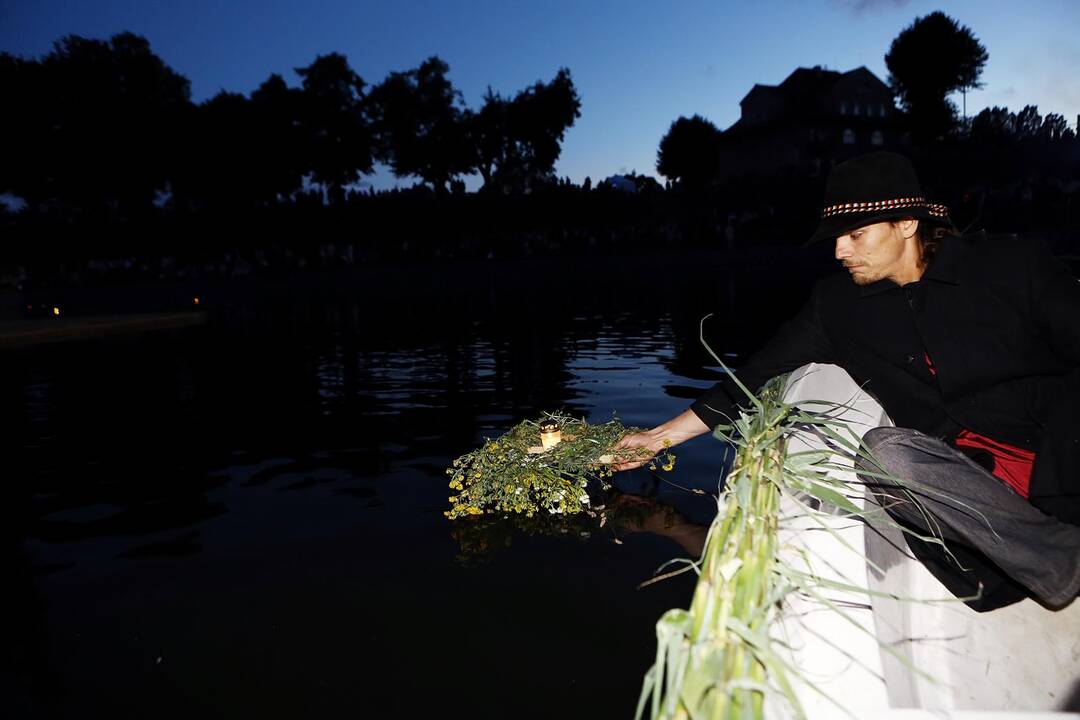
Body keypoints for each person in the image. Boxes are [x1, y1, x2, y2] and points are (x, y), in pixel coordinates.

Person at [616, 151, 1080, 610]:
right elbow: (750, 380)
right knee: (883, 454)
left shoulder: (1011, 266)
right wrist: (656, 440)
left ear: (906, 225)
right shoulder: (837, 307)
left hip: (1059, 457)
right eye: (838, 237)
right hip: (966, 481)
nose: (839, 251)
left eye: (855, 234)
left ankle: (1052, 548)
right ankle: (1058, 561)